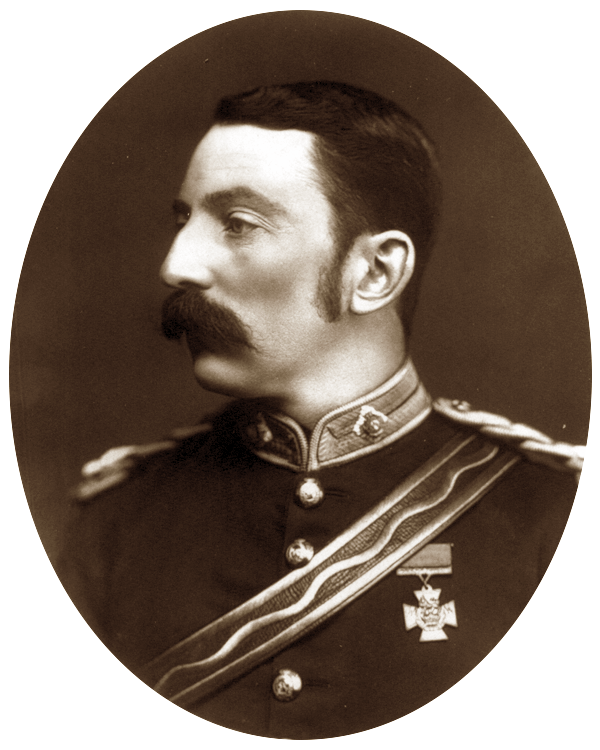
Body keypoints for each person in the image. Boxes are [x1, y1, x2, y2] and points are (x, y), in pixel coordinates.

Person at [57, 81, 583, 739]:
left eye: (238, 224)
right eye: (183, 221)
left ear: (375, 274)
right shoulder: (118, 519)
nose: (176, 265)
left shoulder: (553, 515)